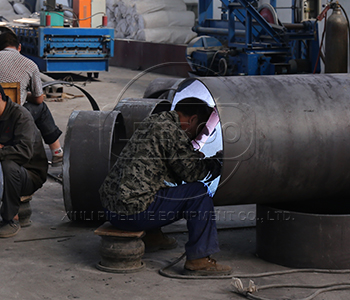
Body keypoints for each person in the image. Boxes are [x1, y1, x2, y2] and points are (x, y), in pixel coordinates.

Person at [99, 98, 232, 276]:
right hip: (132, 215)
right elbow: (192, 174)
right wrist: (218, 162)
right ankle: (199, 260)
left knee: (154, 183)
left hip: (112, 209)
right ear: (191, 120)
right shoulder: (172, 132)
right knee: (198, 192)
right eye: (199, 130)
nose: (197, 136)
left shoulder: (155, 121)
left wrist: (189, 156)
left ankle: (153, 237)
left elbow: (163, 166)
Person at [0, 31, 63, 166]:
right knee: (41, 107)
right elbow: (39, 99)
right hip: (15, 118)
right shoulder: (29, 64)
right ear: (19, 47)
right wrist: (25, 95)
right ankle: (57, 152)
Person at [0, 84, 48, 238]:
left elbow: (23, 153)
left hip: (29, 174)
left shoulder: (21, 116)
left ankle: (10, 219)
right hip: (7, 170)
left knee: (9, 165)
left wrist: (1, 150)